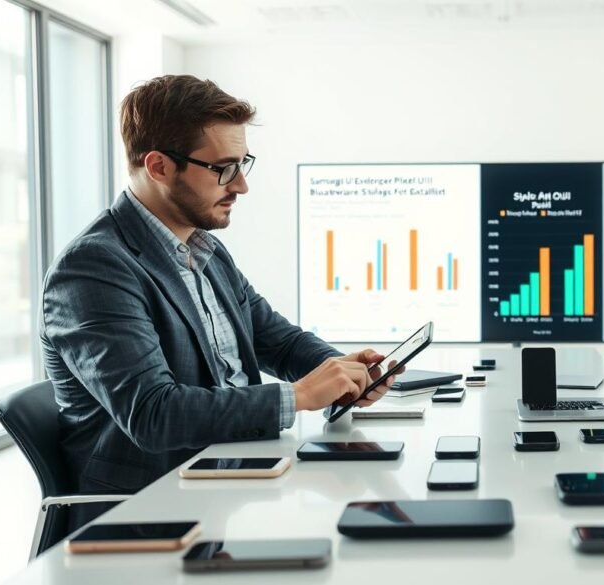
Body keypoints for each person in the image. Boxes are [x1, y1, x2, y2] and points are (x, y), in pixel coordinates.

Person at [40, 75, 395, 529]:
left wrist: (344, 373)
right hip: (150, 512)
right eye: (224, 168)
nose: (241, 185)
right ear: (159, 166)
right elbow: (153, 414)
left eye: (243, 164)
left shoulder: (204, 249)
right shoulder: (93, 268)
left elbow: (275, 340)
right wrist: (301, 395)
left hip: (229, 480)